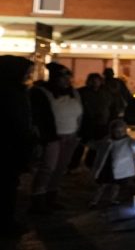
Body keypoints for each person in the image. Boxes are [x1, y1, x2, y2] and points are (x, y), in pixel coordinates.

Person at [29, 62, 83, 213]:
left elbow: (80, 113)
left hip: (70, 135)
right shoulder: (42, 92)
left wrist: (78, 132)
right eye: (63, 77)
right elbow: (38, 116)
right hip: (52, 137)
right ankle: (38, 199)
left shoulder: (73, 93)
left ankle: (51, 196)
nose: (67, 80)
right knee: (48, 167)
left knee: (60, 168)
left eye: (68, 77)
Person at [0, 56, 35, 235]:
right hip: (8, 148)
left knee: (10, 185)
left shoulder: (17, 91)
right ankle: (5, 223)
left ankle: (8, 219)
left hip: (14, 146)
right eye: (26, 72)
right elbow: (14, 121)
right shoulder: (8, 93)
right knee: (6, 186)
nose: (29, 76)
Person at [89, 119, 135, 207]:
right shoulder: (107, 140)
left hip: (119, 169)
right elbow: (99, 147)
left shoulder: (127, 141)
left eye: (121, 131)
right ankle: (94, 201)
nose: (119, 133)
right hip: (107, 167)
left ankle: (112, 199)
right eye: (116, 131)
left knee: (116, 185)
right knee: (102, 185)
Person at [76, 72, 114, 169]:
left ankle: (91, 163)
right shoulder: (81, 92)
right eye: (92, 80)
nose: (94, 83)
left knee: (97, 145)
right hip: (86, 122)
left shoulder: (106, 93)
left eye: (96, 80)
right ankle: (74, 165)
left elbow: (112, 107)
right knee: (81, 144)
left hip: (102, 123)